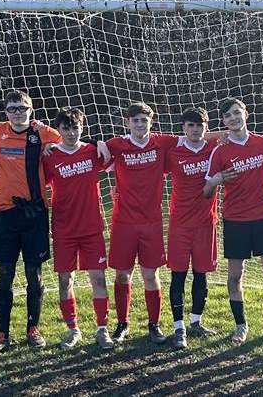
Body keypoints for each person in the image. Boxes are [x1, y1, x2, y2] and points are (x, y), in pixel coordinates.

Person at [204, 97, 263, 344]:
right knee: (235, 276)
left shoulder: (262, 143)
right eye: (228, 116)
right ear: (224, 121)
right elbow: (205, 191)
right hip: (235, 220)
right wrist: (214, 182)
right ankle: (240, 326)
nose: (233, 118)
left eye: (237, 112)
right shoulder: (220, 151)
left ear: (246, 114)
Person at [0, 90, 62, 356]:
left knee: (33, 273)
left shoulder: (43, 133)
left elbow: (70, 140)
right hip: (5, 212)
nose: (18, 113)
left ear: (31, 110)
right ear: (5, 112)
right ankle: (2, 333)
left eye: (23, 108)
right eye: (12, 109)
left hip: (35, 213)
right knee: (5, 274)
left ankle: (32, 328)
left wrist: (50, 143)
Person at [104, 102, 178, 344]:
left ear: (151, 122)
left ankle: (154, 325)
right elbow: (87, 149)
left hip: (151, 222)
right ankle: (122, 324)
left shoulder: (161, 142)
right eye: (135, 120)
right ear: (127, 123)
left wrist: (232, 133)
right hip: (123, 222)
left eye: (144, 120)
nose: (139, 124)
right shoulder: (116, 145)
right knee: (122, 275)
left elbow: (196, 135)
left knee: (150, 274)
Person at [43, 107, 115, 350]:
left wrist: (100, 143)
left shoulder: (92, 151)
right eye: (66, 128)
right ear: (59, 130)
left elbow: (114, 162)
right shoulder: (50, 156)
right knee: (66, 280)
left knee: (99, 279)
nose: (71, 133)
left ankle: (102, 329)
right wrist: (45, 148)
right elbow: (40, 182)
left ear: (82, 128)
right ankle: (73, 329)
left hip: (92, 227)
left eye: (75, 128)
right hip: (64, 229)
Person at [164, 107, 219, 349]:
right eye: (191, 125)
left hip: (206, 222)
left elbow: (236, 132)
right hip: (180, 223)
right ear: (183, 128)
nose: (195, 130)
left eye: (200, 125)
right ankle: (179, 328)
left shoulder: (214, 149)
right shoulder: (173, 152)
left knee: (201, 273)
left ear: (206, 128)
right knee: (178, 275)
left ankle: (196, 322)